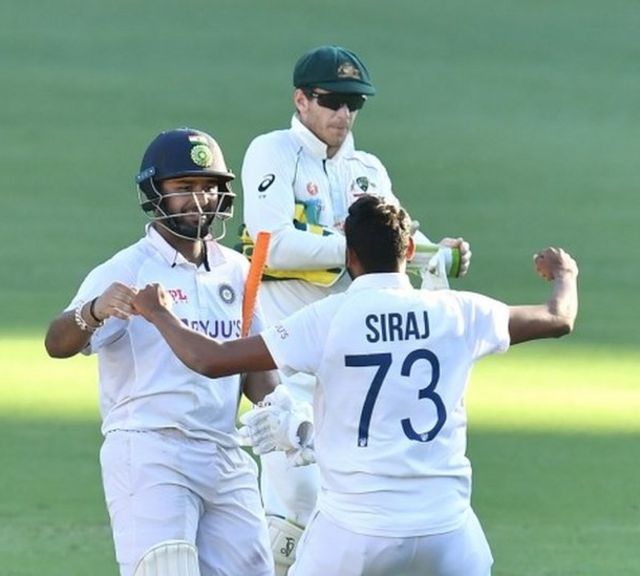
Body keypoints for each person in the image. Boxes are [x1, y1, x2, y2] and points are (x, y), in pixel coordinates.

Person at [133, 195, 579, 576]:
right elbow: (558, 319)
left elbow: (211, 360)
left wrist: (158, 313)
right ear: (408, 249)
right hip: (448, 528)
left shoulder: (328, 319)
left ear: (349, 255)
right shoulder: (459, 311)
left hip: (355, 530)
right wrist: (565, 274)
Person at [237, 43, 474, 573]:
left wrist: (439, 252)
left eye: (354, 103)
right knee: (297, 505)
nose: (344, 114)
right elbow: (271, 245)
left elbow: (401, 243)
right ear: (301, 100)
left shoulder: (368, 169)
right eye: (332, 101)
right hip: (286, 361)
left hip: (354, 372)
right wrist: (352, 248)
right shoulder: (272, 153)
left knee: (352, 513)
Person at [44, 128, 277, 576]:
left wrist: (280, 406)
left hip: (223, 449)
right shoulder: (127, 268)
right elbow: (57, 343)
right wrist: (92, 311)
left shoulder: (238, 270)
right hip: (150, 449)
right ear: (156, 193)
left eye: (209, 188)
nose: (200, 200)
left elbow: (254, 373)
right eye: (184, 188)